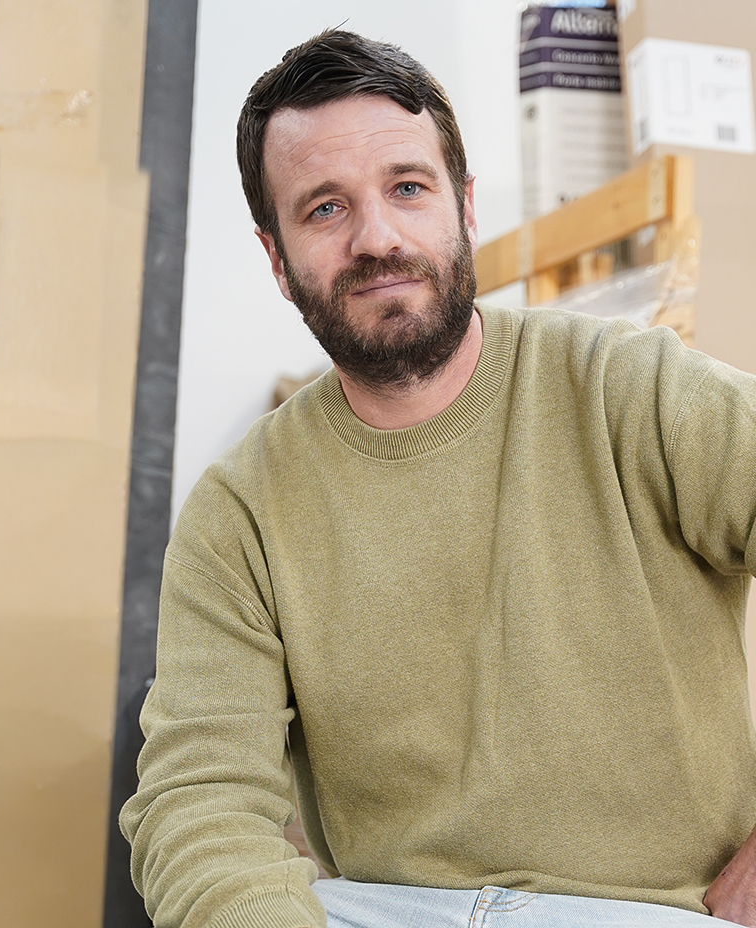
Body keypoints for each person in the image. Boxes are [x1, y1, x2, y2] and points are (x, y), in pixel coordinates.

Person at [120, 29, 756, 928]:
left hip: (652, 913)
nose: (377, 238)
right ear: (277, 259)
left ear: (464, 206)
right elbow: (198, 799)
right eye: (325, 209)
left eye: (408, 189)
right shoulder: (240, 512)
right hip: (386, 912)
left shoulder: (631, 389)